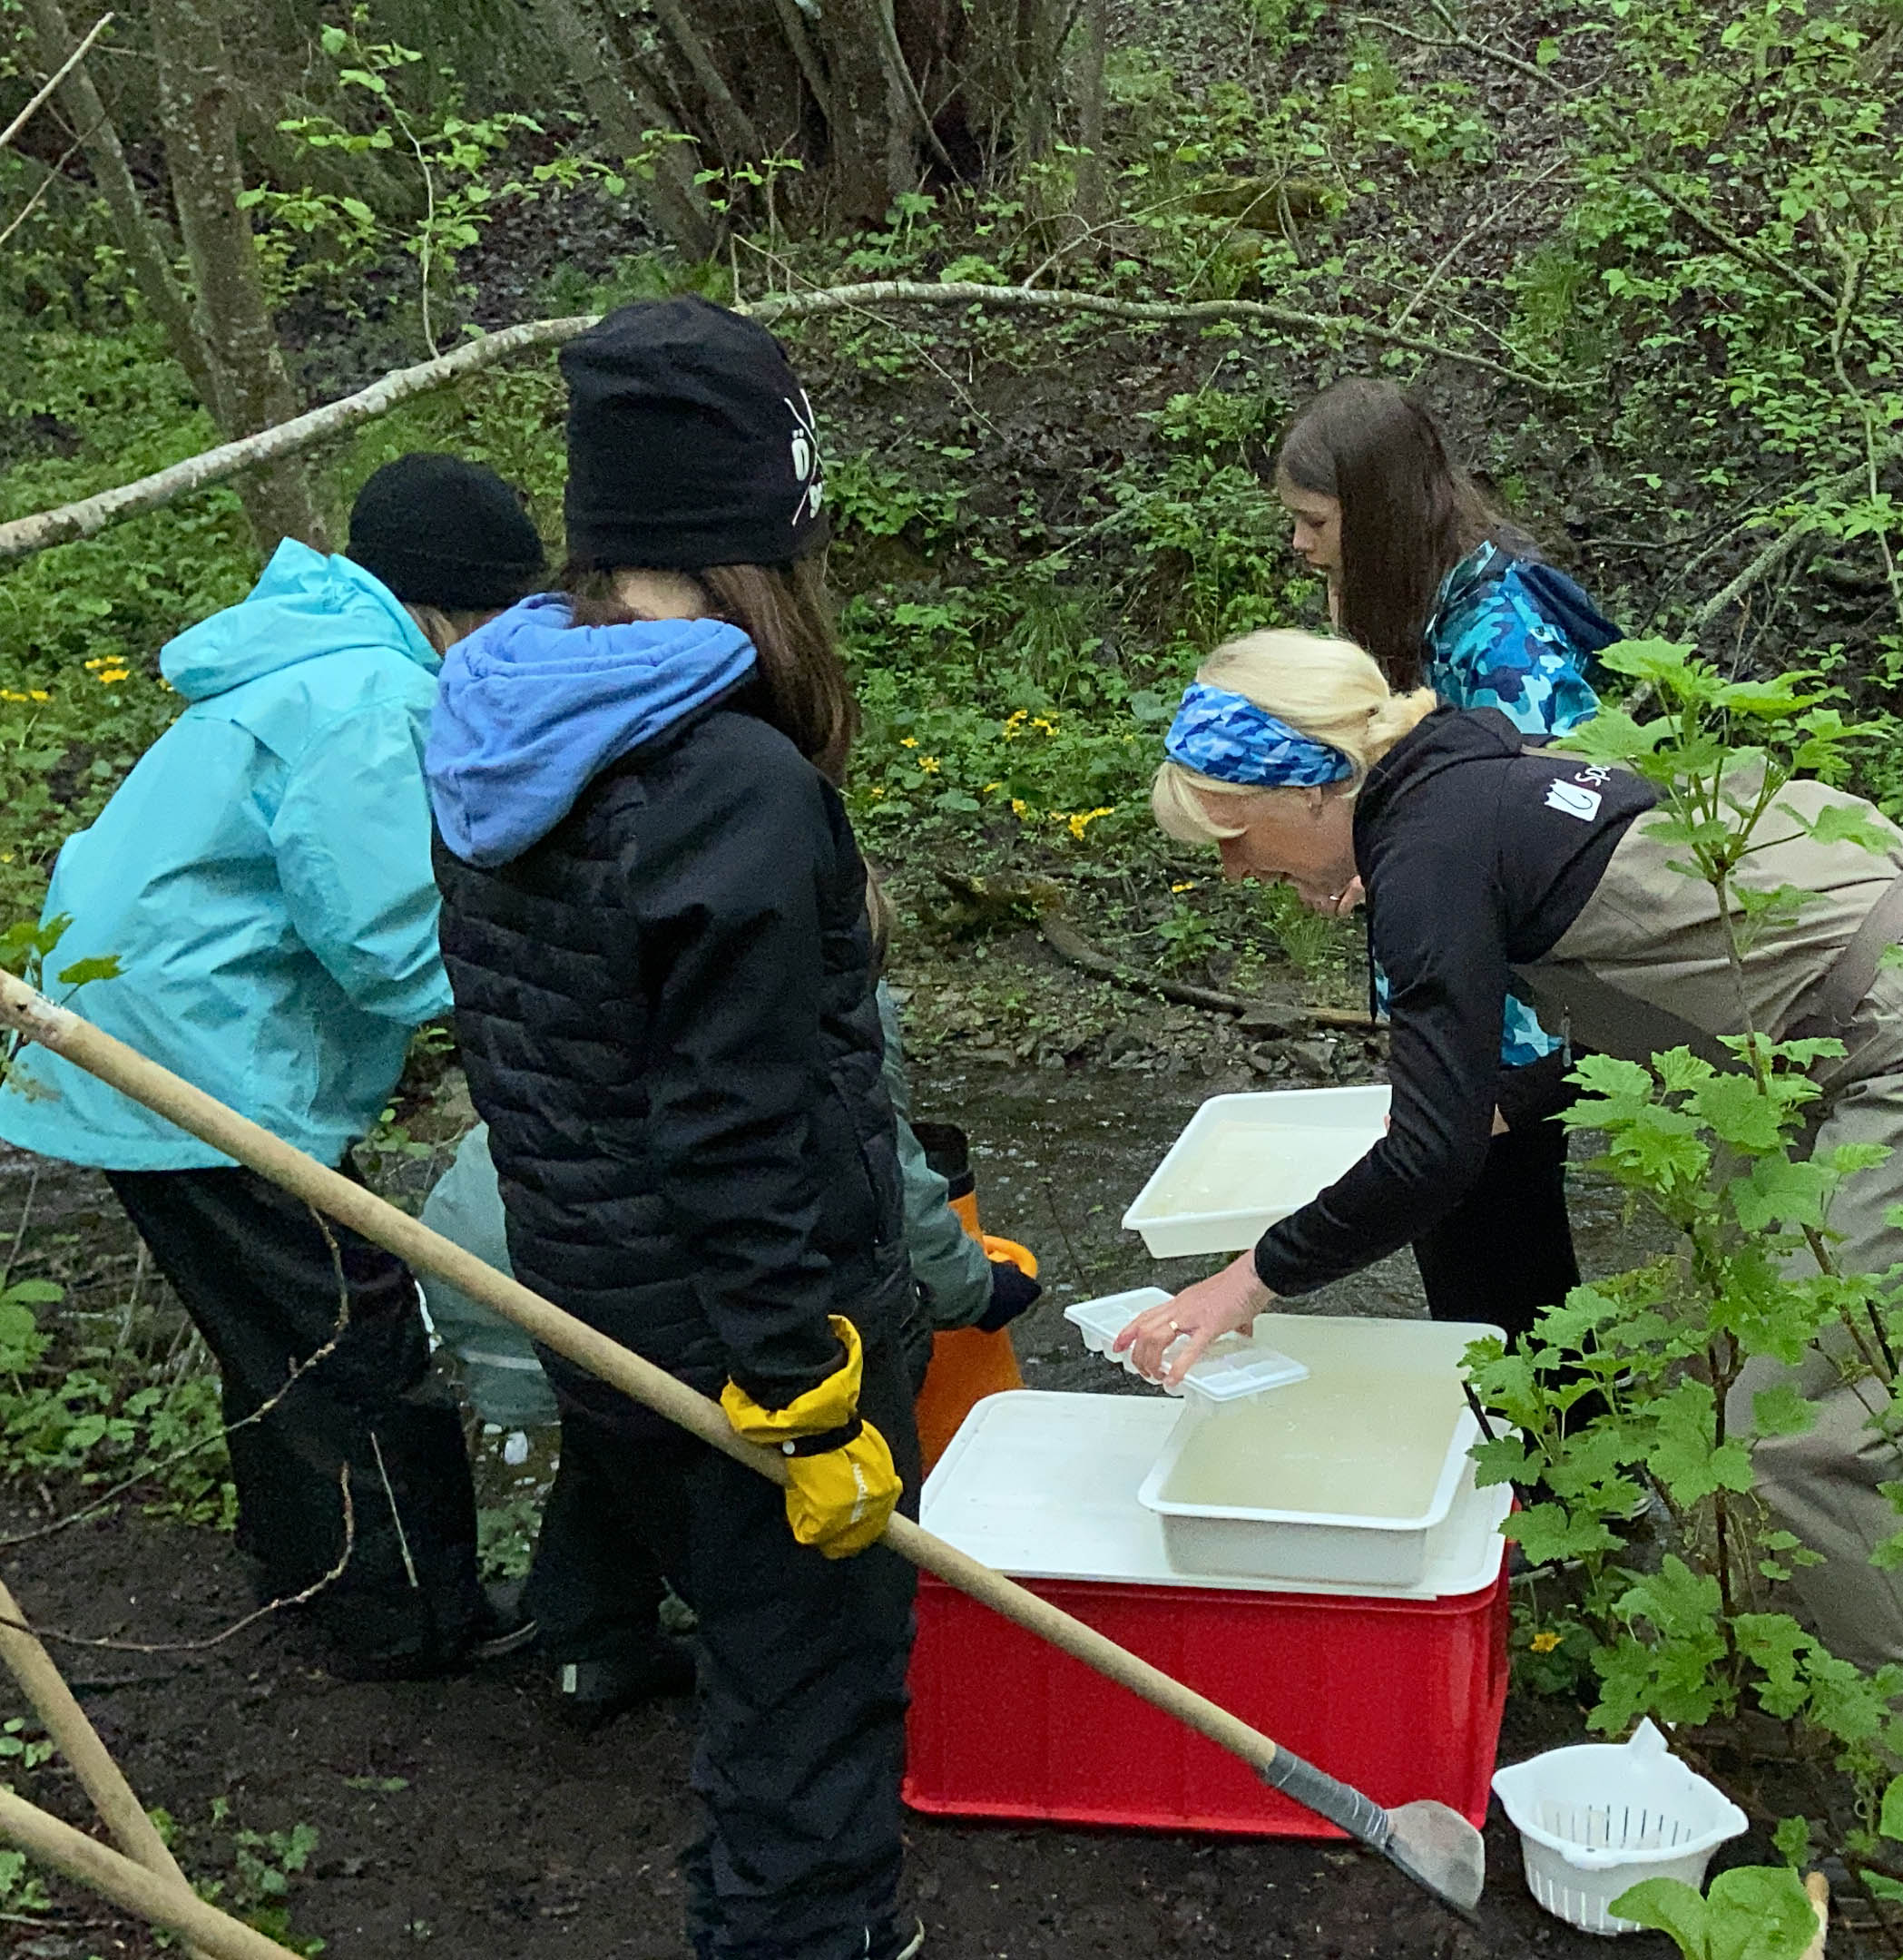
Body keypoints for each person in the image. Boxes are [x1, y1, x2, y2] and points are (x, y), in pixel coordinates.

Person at [426, 297, 924, 1960]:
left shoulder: (499, 723)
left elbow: (547, 1064)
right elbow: (734, 1129)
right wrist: (803, 1392)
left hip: (597, 1321)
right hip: (752, 1358)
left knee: (756, 1692)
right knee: (810, 1717)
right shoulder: (728, 781)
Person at [1120, 627, 1903, 1668]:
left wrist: (1249, 1280)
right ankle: (1770, 1669)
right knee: (1754, 1329)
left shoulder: (1427, 851)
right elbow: (1661, 986)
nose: (1230, 868)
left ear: (1311, 788)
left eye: (1231, 833)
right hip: (1815, 1041)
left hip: (1872, 1050)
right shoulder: (1484, 775)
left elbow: (1431, 1161)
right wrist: (1508, 1101)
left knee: (1789, 1441)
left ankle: (1876, 1766)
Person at [0, 455, 548, 1678]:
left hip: (136, 1041)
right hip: (196, 1065)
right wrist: (545, 982)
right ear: (453, 607)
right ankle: (408, 1615)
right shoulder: (368, 696)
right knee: (348, 1334)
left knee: (277, 1326)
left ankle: (310, 1567)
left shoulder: (301, 660)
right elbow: (390, 941)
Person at [1271, 378, 1621, 1342]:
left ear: (1376, 513)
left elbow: (1567, 839)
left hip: (1521, 1030)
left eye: (1312, 520)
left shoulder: (1503, 637)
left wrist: (1529, 1080)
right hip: (1469, 1005)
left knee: (1507, 1291)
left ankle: (1575, 1485)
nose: (1297, 543)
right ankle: (1540, 1474)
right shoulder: (1426, 604)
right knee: (1478, 1284)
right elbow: (1448, 808)